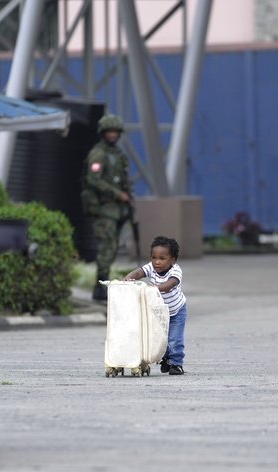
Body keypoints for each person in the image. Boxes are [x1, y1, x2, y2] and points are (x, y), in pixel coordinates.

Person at [81, 113, 133, 303]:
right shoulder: (99, 154)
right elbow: (93, 179)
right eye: (109, 131)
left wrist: (126, 197)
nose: (112, 135)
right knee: (106, 247)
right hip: (104, 209)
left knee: (111, 248)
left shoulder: (117, 155)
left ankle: (103, 286)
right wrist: (118, 194)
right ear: (103, 133)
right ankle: (100, 287)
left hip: (116, 209)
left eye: (115, 132)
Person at [123, 236, 187, 375]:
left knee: (175, 339)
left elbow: (169, 284)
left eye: (162, 258)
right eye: (154, 257)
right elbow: (140, 272)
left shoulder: (175, 271)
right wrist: (128, 278)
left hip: (176, 311)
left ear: (173, 260)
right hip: (158, 312)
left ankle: (176, 364)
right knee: (160, 337)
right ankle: (166, 358)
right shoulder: (151, 267)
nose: (157, 262)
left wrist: (156, 287)